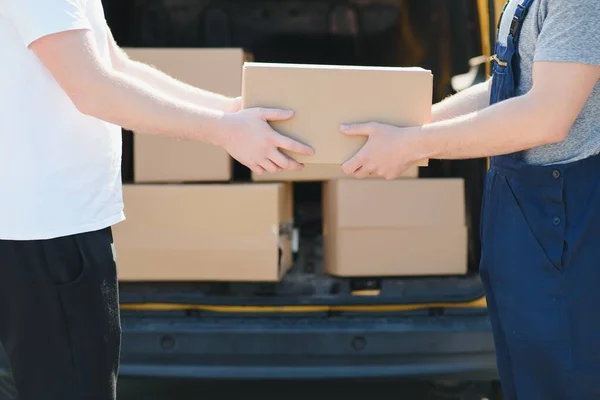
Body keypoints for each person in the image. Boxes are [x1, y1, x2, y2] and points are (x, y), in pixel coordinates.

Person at [0, 0, 314, 399]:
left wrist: (229, 110)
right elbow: (94, 90)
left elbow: (116, 67)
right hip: (47, 232)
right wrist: (223, 130)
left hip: (60, 226)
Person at [340, 0, 599, 398]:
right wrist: (411, 124)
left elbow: (547, 115)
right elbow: (509, 84)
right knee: (530, 378)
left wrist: (412, 145)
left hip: (564, 224)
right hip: (527, 219)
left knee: (565, 379)